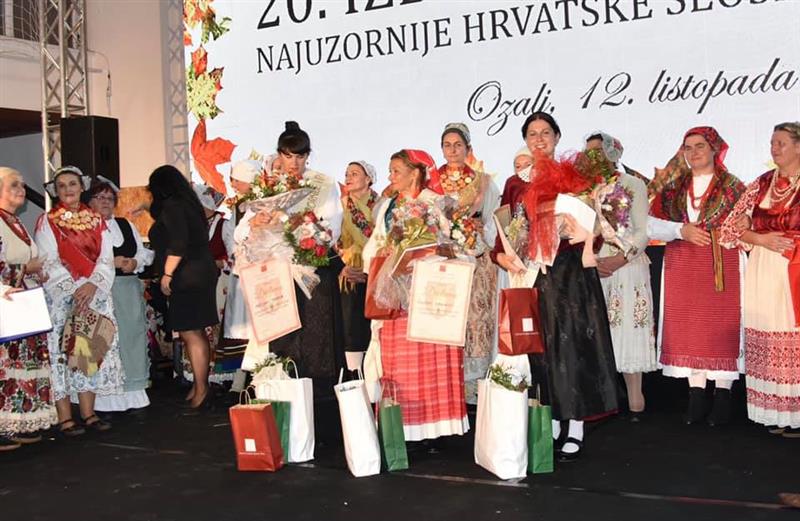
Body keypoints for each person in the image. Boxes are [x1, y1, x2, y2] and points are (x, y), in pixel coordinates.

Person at [492, 113, 619, 461]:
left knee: (573, 348)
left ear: (557, 137)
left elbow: (597, 227)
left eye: (545, 133)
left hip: (571, 275)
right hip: (533, 276)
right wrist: (501, 256)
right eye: (532, 134)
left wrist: (585, 233)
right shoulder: (515, 184)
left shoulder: (575, 177)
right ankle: (546, 421)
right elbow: (504, 234)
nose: (539, 139)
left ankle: (575, 425)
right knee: (539, 351)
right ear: (525, 140)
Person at [362, 149, 468, 442]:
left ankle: (437, 429)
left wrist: (426, 254)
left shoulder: (436, 202)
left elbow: (454, 246)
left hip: (427, 293)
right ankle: (403, 428)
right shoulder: (387, 207)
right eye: (390, 171)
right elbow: (374, 246)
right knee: (398, 361)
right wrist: (387, 253)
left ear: (415, 173)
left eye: (396, 171)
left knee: (431, 359)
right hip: (396, 294)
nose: (390, 176)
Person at [648, 127, 746, 426]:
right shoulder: (673, 189)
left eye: (700, 146)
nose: (694, 152)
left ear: (714, 149)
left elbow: (746, 222)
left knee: (719, 327)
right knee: (689, 327)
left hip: (721, 261)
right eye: (688, 147)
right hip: (683, 262)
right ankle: (696, 396)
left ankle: (723, 396)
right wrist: (681, 230)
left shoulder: (733, 186)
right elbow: (649, 224)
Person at [243, 121, 344, 385]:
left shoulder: (322, 184)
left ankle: (320, 400)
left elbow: (330, 230)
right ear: (279, 155)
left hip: (312, 272)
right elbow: (241, 231)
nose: (294, 163)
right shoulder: (268, 185)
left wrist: (289, 221)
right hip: (277, 274)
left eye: (300, 156)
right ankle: (283, 398)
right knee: (282, 340)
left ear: (308, 156)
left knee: (317, 341)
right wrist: (256, 223)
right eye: (288, 156)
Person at [720, 121, 800, 437]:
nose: (774, 148)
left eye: (781, 143)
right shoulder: (761, 183)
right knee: (768, 335)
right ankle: (775, 413)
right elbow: (729, 229)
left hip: (794, 267)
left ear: (798, 146)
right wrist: (759, 237)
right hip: (764, 267)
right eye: (771, 143)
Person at [35, 166, 123, 433]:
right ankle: (65, 417)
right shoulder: (48, 221)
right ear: (56, 191)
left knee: (88, 349)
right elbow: (48, 260)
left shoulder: (97, 220)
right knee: (63, 352)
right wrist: (74, 289)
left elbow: (106, 258)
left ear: (82, 187)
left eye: (72, 184)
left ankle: (88, 413)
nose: (68, 189)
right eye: (61, 186)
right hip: (64, 298)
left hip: (92, 295)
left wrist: (93, 285)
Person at [585, 133, 656, 420]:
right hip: (595, 263)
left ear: (613, 152)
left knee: (628, 326)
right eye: (588, 153)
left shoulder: (632, 184)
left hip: (628, 263)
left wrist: (621, 258)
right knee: (600, 329)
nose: (594, 158)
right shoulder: (584, 189)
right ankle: (605, 399)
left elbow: (643, 230)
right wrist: (591, 258)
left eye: (598, 151)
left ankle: (635, 397)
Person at [437, 123, 500, 405]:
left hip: (476, 260)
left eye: (458, 145)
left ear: (468, 149)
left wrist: (477, 230)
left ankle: (474, 389)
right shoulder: (431, 182)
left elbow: (494, 221)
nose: (452, 150)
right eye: (447, 145)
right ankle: (448, 389)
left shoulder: (483, 182)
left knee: (475, 320)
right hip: (443, 261)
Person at [147, 165, 219, 410]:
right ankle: (200, 385)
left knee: (190, 332)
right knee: (195, 331)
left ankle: (202, 388)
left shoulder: (174, 206)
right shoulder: (188, 204)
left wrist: (167, 274)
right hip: (199, 272)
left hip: (187, 275)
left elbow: (178, 243)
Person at [0, 167, 57, 449]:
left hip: (23, 304)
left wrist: (36, 273)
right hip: (5, 305)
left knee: (22, 364)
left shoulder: (15, 222)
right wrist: (24, 269)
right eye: (14, 185)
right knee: (5, 367)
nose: (21, 190)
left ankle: (18, 423)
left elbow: (27, 260)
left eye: (22, 185)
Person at [86, 176, 154, 411]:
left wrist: (134, 262)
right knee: (101, 341)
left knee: (131, 338)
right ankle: (102, 400)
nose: (105, 201)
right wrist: (109, 263)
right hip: (99, 290)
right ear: (90, 202)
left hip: (126, 288)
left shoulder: (124, 225)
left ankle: (133, 392)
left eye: (109, 198)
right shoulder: (85, 227)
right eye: (99, 197)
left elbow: (144, 252)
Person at [337, 160, 378, 374]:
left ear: (368, 179)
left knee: (374, 329)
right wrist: (342, 264)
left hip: (375, 272)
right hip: (349, 272)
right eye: (347, 174)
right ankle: (353, 377)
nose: (348, 177)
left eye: (354, 173)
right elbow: (332, 239)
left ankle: (373, 377)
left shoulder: (381, 205)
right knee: (351, 328)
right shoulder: (340, 206)